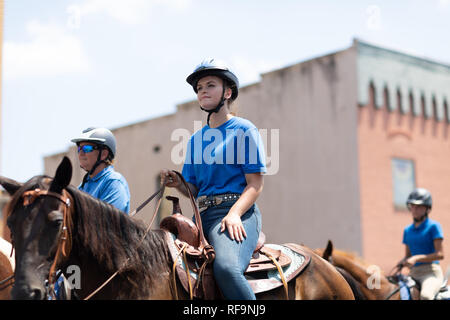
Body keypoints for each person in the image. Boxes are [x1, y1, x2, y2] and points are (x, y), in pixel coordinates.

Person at [160, 58, 266, 300]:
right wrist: (178, 182)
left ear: (228, 92)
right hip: (203, 218)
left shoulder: (244, 130)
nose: (203, 91)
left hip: (238, 215)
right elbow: (195, 189)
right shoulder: (196, 140)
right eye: (199, 88)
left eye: (210, 85)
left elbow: (255, 185)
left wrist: (235, 214)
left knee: (227, 270)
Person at [396, 188, 445, 300]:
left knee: (426, 296)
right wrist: (402, 262)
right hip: (413, 273)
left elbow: (440, 254)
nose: (414, 209)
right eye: (412, 206)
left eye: (418, 206)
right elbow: (408, 255)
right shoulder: (407, 230)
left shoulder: (434, 227)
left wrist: (416, 258)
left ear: (427, 209)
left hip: (430, 272)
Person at [71, 127, 130, 213]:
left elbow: (109, 221)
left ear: (103, 154)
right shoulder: (81, 187)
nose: (81, 153)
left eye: (87, 148)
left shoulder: (113, 182)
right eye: (79, 149)